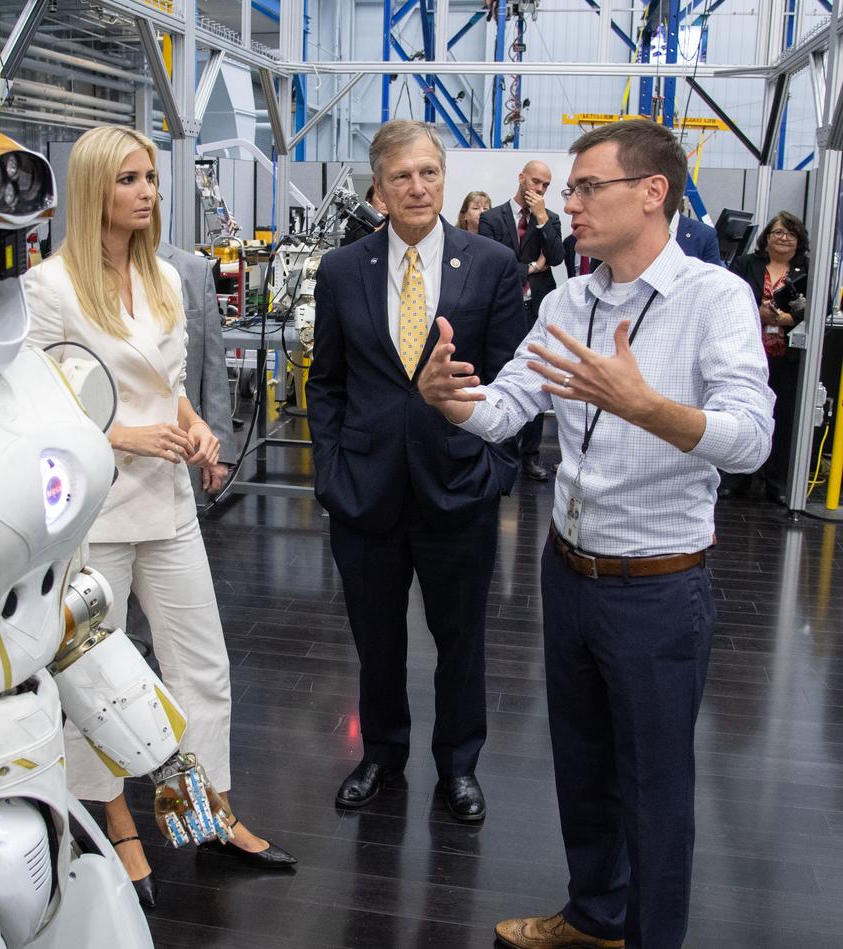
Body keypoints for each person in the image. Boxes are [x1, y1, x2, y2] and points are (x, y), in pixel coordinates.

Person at [417, 119, 773, 949]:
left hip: (658, 583)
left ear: (653, 193)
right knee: (580, 767)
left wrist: (647, 405)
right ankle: (596, 916)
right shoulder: (569, 300)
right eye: (569, 189)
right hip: (568, 570)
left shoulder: (713, 297)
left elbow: (752, 438)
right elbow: (507, 407)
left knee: (654, 786)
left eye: (586, 188)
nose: (566, 203)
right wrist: (448, 399)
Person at [22, 125, 295, 910]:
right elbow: (36, 404)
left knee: (201, 663)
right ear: (94, 190)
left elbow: (167, 383)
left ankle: (210, 809)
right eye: (130, 180)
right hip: (93, 509)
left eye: (151, 178)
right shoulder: (50, 288)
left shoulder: (169, 279)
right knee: (92, 677)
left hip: (168, 502)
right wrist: (123, 434)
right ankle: (114, 819)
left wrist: (196, 425)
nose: (148, 192)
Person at [305, 119, 526, 821]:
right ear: (378, 187)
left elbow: (514, 380)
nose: (417, 186)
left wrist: (499, 469)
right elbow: (327, 382)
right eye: (401, 175)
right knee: (377, 638)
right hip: (365, 491)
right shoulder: (342, 269)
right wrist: (330, 471)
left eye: (429, 172)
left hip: (458, 486)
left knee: (461, 638)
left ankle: (458, 765)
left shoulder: (491, 264)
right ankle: (382, 752)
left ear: (444, 176)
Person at [479, 160, 564, 482]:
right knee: (499, 373)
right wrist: (529, 267)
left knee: (536, 378)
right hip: (503, 308)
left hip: (537, 309)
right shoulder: (492, 218)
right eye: (536, 182)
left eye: (546, 185)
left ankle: (530, 455)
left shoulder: (550, 220)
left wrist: (542, 219)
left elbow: (555, 258)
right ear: (521, 178)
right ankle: (498, 449)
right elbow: (494, 264)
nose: (539, 189)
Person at [725, 212, 810, 504]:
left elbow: (814, 309)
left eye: (790, 233)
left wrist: (784, 318)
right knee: (742, 412)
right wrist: (755, 312)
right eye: (777, 232)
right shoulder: (746, 264)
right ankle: (736, 478)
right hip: (748, 354)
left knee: (783, 419)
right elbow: (728, 297)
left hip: (786, 358)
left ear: (799, 240)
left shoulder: (809, 269)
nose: (783, 238)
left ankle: (777, 482)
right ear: (767, 237)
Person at [158, 242, 235, 499]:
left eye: (153, 197)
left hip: (183, 448)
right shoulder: (71, 270)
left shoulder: (190, 270)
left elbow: (213, 363)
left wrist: (219, 449)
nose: (145, 199)